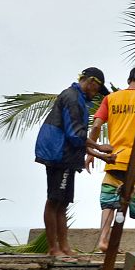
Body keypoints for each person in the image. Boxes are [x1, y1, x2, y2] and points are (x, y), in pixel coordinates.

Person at [34, 67, 115, 259]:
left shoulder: (77, 99)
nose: (95, 95)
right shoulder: (72, 98)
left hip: (66, 155)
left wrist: (100, 154)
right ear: (91, 82)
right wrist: (100, 148)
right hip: (59, 155)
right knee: (54, 201)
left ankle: (64, 247)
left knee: (62, 203)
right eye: (96, 90)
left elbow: (76, 138)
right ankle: (54, 249)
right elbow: (75, 135)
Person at [86, 66, 135, 254]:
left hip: (115, 160)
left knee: (109, 201)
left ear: (130, 80)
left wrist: (90, 150)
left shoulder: (110, 98)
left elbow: (96, 125)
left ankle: (103, 240)